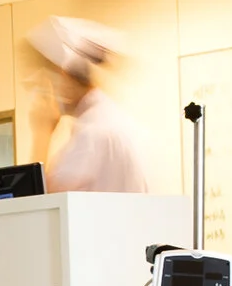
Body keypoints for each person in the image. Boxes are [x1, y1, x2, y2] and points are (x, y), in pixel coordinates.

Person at [25, 17, 150, 193]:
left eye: (43, 80)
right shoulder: (112, 120)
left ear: (64, 76)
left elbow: (42, 201)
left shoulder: (92, 132)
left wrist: (42, 133)